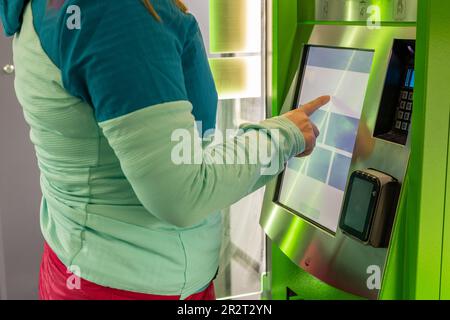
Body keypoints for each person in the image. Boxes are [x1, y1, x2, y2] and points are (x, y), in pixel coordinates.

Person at [0, 0, 329, 300]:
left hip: (80, 267)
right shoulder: (117, 12)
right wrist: (285, 136)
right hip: (134, 288)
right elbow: (180, 194)